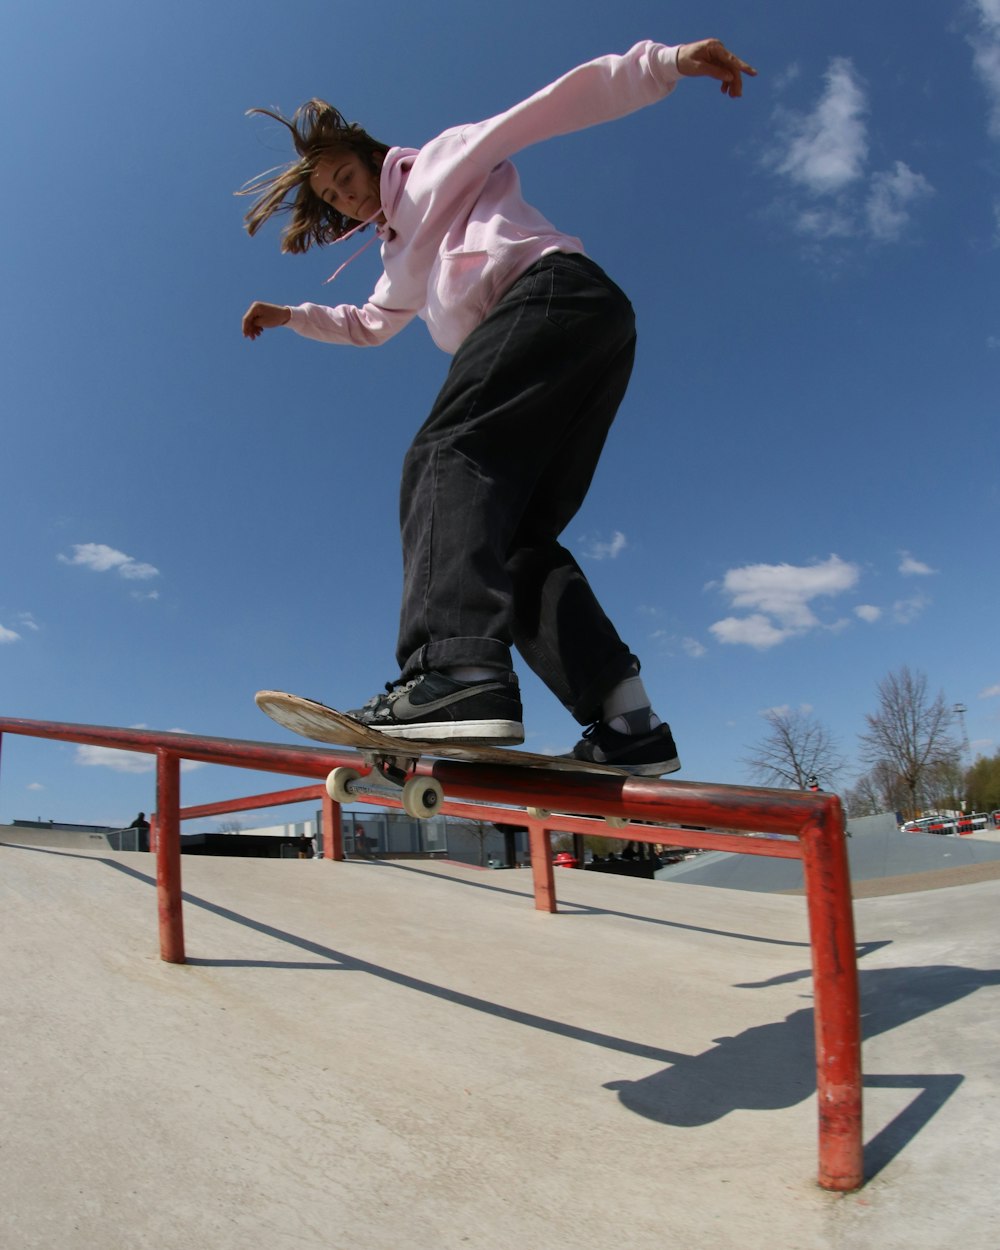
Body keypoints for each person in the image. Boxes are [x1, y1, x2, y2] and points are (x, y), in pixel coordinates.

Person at [241, 38, 756, 776]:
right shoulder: (397, 258)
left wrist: (661, 64)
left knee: (448, 454)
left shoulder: (439, 162)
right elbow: (369, 324)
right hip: (583, 334)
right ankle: (628, 719)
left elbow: (546, 108)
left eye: (345, 177)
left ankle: (453, 674)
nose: (346, 198)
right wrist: (293, 315)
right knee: (513, 544)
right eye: (331, 198)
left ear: (366, 152)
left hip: (549, 296)